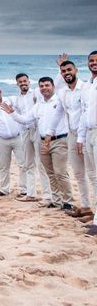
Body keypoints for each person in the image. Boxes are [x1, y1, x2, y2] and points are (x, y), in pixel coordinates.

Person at [3, 77, 73, 210]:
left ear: (53, 86)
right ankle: (56, 201)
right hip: (43, 142)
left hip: (59, 140)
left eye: (47, 85)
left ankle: (68, 201)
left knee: (60, 173)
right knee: (50, 173)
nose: (44, 88)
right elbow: (24, 120)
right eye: (41, 86)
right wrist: (12, 113)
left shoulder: (60, 101)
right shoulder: (38, 105)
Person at [55, 58, 93, 219]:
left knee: (93, 174)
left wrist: (81, 138)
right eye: (63, 71)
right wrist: (49, 133)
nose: (66, 73)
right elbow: (59, 112)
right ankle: (85, 207)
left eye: (69, 70)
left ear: (76, 70)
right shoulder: (63, 92)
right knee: (78, 173)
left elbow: (86, 113)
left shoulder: (85, 88)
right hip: (72, 134)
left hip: (86, 134)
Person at [13, 73, 50, 201]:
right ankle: (31, 194)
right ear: (17, 84)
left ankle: (47, 195)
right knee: (29, 164)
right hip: (25, 132)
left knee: (41, 163)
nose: (23, 83)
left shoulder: (36, 93)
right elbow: (18, 116)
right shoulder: (16, 99)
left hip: (37, 130)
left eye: (25, 81)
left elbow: (49, 94)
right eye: (20, 82)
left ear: (29, 81)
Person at [78, 50, 97, 236]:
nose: (94, 63)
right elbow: (84, 114)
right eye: (91, 60)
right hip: (89, 134)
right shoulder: (88, 86)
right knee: (93, 176)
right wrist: (80, 138)